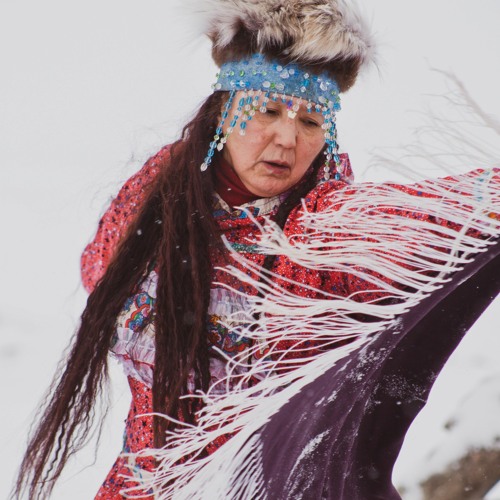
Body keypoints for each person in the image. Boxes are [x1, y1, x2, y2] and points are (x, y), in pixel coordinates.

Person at [15, 1, 500, 499]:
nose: (287, 138)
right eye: (268, 110)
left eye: (312, 122)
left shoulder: (326, 236)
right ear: (223, 112)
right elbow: (98, 267)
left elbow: (437, 217)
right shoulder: (152, 201)